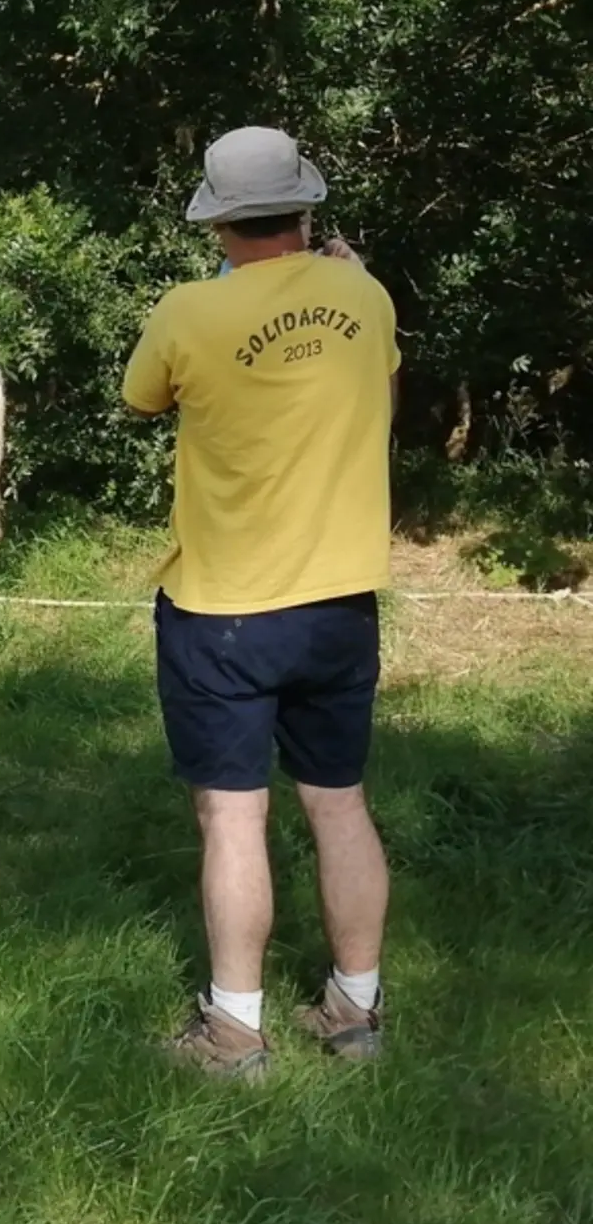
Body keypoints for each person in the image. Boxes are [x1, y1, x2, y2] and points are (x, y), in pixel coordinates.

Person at [122, 126, 401, 1080]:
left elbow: (142, 398)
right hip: (340, 601)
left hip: (224, 608)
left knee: (233, 817)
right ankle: (355, 1010)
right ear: (305, 207)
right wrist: (347, 282)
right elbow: (381, 393)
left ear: (218, 221)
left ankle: (235, 1030)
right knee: (339, 804)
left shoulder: (187, 311)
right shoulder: (366, 295)